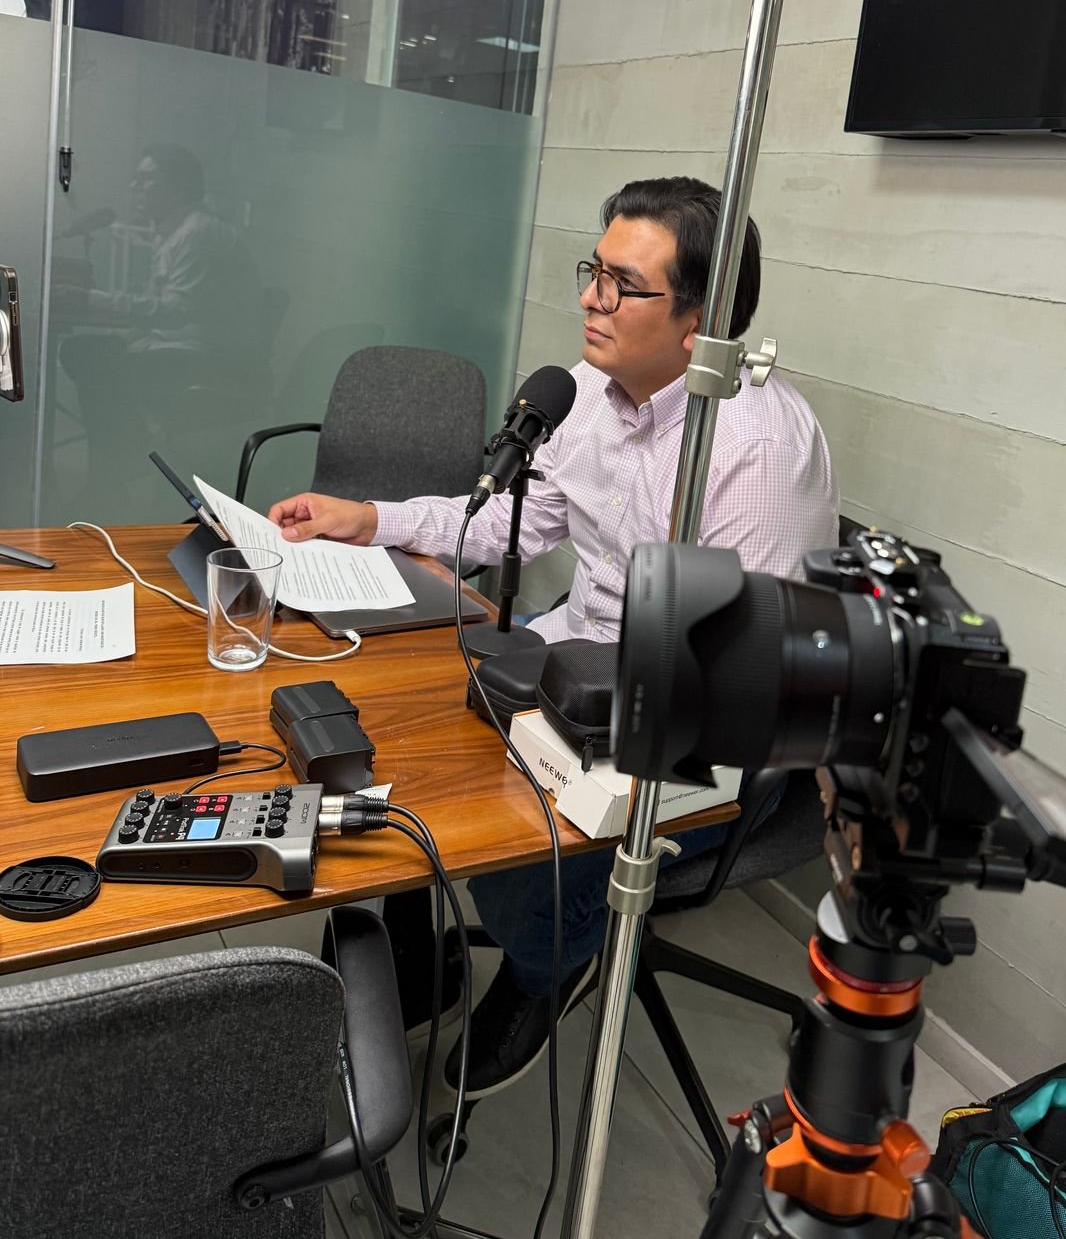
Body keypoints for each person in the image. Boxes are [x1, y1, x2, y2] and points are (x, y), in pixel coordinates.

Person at [269, 176, 839, 1095]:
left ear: (699, 322)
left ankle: (545, 968)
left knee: (514, 861)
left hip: (705, 728)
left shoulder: (753, 449)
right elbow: (513, 523)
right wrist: (369, 518)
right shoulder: (589, 394)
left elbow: (744, 679)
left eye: (622, 284)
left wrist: (560, 747)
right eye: (593, 271)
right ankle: (416, 959)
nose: (589, 300)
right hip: (578, 658)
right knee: (393, 738)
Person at [55, 145, 262, 498]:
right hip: (175, 346)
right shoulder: (173, 231)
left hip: (207, 359)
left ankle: (110, 472)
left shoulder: (198, 233)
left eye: (146, 179)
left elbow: (174, 311)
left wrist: (90, 299)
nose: (134, 187)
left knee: (98, 368)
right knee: (83, 350)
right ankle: (119, 455)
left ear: (177, 185)